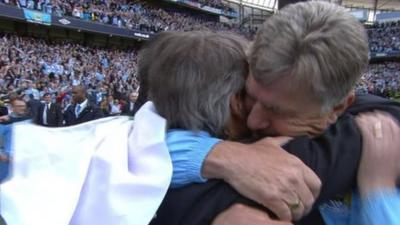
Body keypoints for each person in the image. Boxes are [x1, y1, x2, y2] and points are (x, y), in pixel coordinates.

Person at [147, 2, 400, 225]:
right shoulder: (237, 140)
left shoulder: (374, 135)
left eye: (276, 111)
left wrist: (378, 198)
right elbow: (126, 146)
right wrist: (216, 155)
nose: (253, 119)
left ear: (337, 108)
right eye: (249, 97)